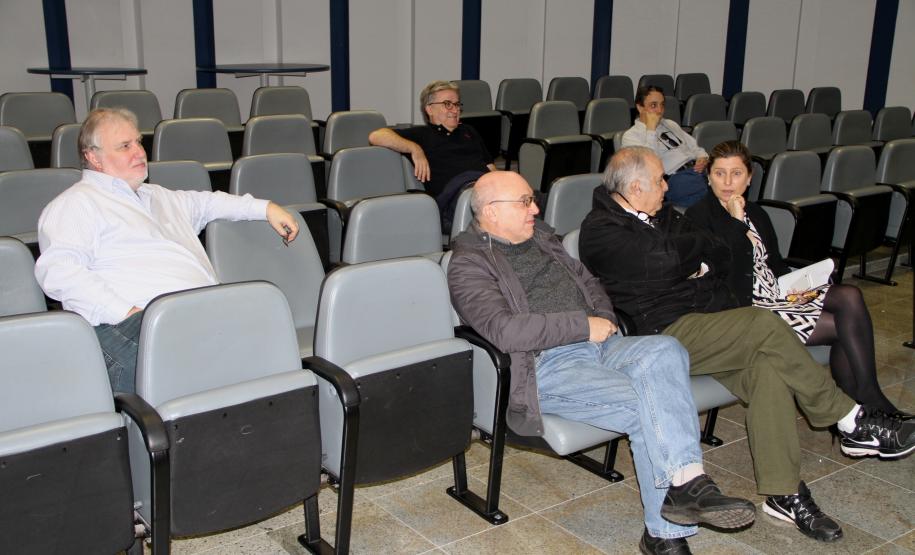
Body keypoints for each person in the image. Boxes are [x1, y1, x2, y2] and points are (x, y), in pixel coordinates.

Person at [579, 147, 915, 543]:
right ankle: (849, 419)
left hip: (707, 323)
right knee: (761, 323)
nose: (668, 187)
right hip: (660, 336)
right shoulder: (600, 230)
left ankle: (784, 491)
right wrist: (692, 261)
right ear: (636, 187)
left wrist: (690, 263)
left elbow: (717, 252)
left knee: (768, 371)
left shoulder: (664, 215)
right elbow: (664, 263)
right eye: (660, 180)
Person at [448, 170, 756, 555]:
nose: (536, 209)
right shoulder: (468, 264)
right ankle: (665, 533)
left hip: (602, 343)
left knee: (667, 349)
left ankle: (686, 483)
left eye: (533, 199)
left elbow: (588, 281)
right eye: (525, 202)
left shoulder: (541, 237)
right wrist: (581, 326)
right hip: (545, 367)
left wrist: (604, 318)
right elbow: (506, 331)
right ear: (491, 212)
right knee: (649, 406)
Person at [34, 107, 300, 393]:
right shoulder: (77, 203)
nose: (139, 152)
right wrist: (128, 312)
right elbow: (59, 271)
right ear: (93, 157)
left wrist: (265, 208)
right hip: (131, 325)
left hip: (195, 316)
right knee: (224, 371)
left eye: (138, 142)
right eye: (125, 146)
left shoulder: (157, 196)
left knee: (267, 343)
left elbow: (210, 203)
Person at [686, 140, 901, 415]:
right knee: (842, 327)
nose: (728, 182)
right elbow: (722, 267)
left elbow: (774, 264)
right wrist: (735, 221)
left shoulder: (758, 212)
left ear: (749, 178)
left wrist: (805, 283)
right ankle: (866, 405)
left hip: (776, 294)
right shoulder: (698, 217)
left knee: (849, 294)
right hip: (745, 310)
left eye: (736, 173)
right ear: (708, 177)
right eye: (719, 173)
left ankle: (866, 402)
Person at [368, 80, 496, 228]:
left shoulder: (469, 131)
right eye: (447, 104)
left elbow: (490, 167)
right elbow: (376, 135)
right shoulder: (422, 135)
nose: (455, 110)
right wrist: (415, 148)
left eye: (457, 104)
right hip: (456, 199)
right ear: (429, 109)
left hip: (486, 189)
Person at [621, 85, 708, 207]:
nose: (659, 110)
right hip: (675, 180)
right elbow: (647, 166)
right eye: (653, 105)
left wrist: (702, 157)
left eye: (662, 105)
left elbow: (695, 147)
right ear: (640, 107)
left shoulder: (670, 124)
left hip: (697, 172)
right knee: (716, 199)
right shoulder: (631, 136)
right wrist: (650, 129)